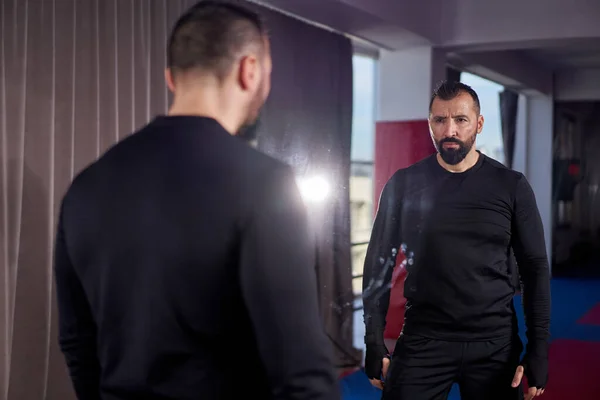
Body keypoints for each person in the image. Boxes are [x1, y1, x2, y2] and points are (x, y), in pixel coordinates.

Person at [54, 2, 339, 399]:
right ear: (250, 71)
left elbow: (77, 342)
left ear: (171, 78)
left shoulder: (84, 188)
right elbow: (303, 370)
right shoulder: (265, 183)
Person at [362, 81, 551, 400]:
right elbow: (378, 265)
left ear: (478, 123)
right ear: (430, 124)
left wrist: (539, 351)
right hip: (424, 338)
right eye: (439, 120)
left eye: (461, 120)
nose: (450, 129)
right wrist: (373, 340)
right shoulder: (403, 184)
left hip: (494, 343)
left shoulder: (511, 186)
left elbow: (535, 269)